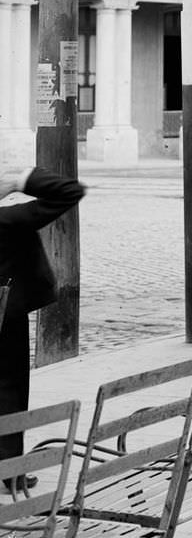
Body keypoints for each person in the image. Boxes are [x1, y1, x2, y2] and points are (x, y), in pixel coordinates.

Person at [0, 166, 85, 483]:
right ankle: (10, 473)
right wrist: (19, 180)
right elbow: (69, 191)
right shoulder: (8, 221)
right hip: (6, 317)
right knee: (9, 390)